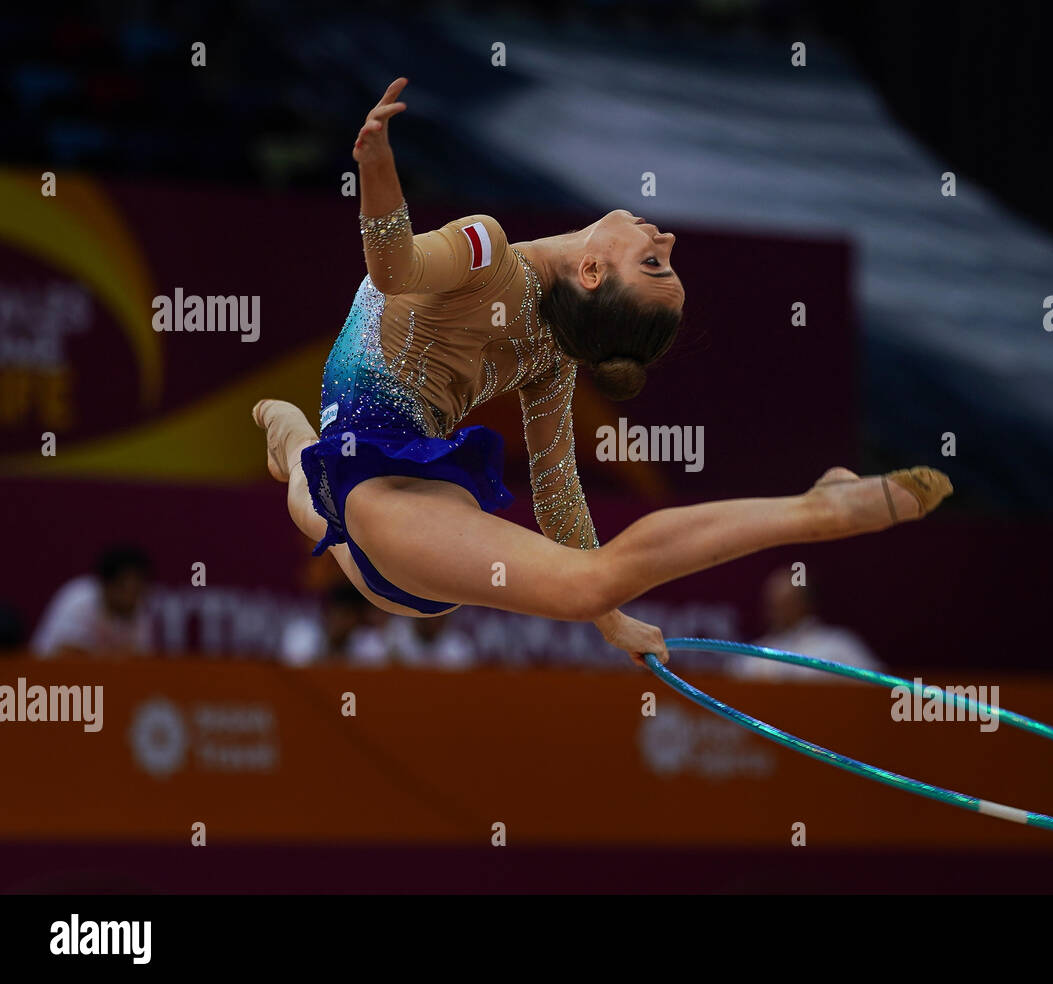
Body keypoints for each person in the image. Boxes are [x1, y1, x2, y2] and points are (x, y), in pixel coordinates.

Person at [253, 78, 952, 668]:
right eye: (664, 259)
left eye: (654, 264)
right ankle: (287, 435)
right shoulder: (550, 349)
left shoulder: (489, 253)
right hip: (392, 532)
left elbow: (394, 266)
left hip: (394, 501)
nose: (666, 238)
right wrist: (610, 619)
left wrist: (375, 168)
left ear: (592, 272)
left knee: (584, 580)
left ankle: (819, 510)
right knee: (305, 471)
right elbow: (556, 497)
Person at [732, 568, 884, 683]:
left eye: (786, 603)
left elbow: (874, 691)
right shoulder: (753, 657)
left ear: (805, 603)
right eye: (772, 604)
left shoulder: (840, 647)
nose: (776, 611)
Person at [31, 545, 153, 657]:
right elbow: (62, 651)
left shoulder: (138, 608)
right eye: (125, 589)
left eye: (138, 590)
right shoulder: (78, 599)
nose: (131, 598)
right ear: (107, 585)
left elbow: (139, 656)